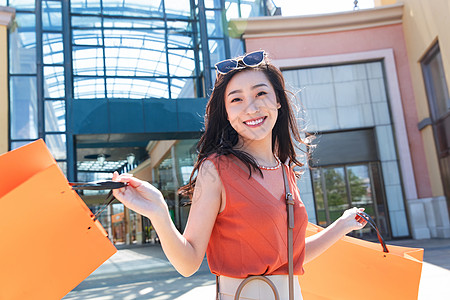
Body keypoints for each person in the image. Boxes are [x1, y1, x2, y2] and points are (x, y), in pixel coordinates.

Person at [112, 50, 367, 299]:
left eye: (261, 93)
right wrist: (159, 212)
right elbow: (188, 263)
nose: (251, 107)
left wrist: (342, 225)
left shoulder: (284, 170)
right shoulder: (215, 170)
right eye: (236, 99)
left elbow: (289, 259)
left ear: (277, 100)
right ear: (226, 112)